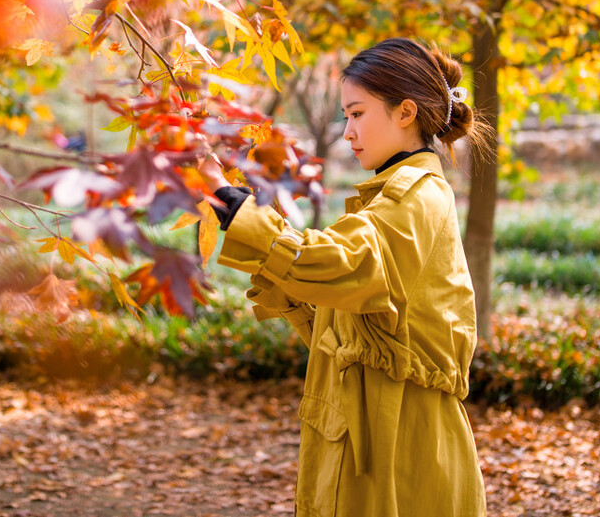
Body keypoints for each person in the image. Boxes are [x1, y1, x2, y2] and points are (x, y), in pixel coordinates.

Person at [199, 37, 488, 517]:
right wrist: (252, 234)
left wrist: (240, 214)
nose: (347, 132)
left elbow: (344, 262)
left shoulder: (414, 197)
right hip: (367, 433)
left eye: (357, 113)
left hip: (399, 443)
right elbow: (338, 322)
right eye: (345, 116)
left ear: (405, 112)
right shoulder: (392, 196)